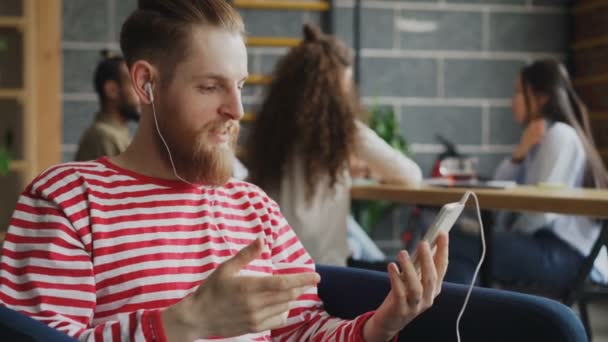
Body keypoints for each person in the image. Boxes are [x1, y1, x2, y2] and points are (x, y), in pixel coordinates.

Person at [0, 1, 448, 341]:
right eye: (211, 86)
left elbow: (299, 330)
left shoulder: (253, 206)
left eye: (239, 86)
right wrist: (181, 324)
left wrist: (379, 326)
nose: (235, 109)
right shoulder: (67, 199)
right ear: (145, 83)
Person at [246, 24, 422, 266]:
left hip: (275, 261)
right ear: (337, 86)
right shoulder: (344, 130)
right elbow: (410, 174)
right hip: (325, 268)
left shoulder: (273, 128)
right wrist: (368, 170)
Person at [445, 59, 608, 289]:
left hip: (568, 254)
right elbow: (499, 191)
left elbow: (541, 212)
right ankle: (463, 318)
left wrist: (506, 233)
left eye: (519, 92)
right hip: (545, 246)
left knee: (461, 243)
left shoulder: (559, 136)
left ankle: (458, 318)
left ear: (541, 98)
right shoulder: (538, 137)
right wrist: (519, 153)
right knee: (462, 244)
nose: (513, 100)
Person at [74, 50, 141, 161]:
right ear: (112, 90)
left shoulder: (117, 132)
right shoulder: (104, 136)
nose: (141, 94)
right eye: (134, 85)